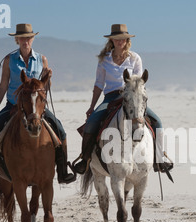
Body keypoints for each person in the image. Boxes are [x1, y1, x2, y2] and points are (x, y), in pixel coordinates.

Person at [0, 24, 76, 184]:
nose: (25, 41)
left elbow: (45, 87)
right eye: (22, 38)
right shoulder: (9, 60)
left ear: (32, 39)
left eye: (28, 38)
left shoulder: (42, 59)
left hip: (36, 108)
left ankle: (62, 171)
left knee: (60, 131)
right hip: (13, 105)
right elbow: (3, 85)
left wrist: (48, 78)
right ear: (17, 40)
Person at [73, 24, 173, 175]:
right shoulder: (104, 60)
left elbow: (139, 83)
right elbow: (99, 84)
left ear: (127, 40)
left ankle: (159, 160)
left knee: (157, 121)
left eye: (123, 39)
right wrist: (92, 106)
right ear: (111, 40)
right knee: (92, 121)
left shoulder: (134, 58)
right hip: (111, 97)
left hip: (131, 97)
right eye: (117, 39)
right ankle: (85, 159)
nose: (120, 42)